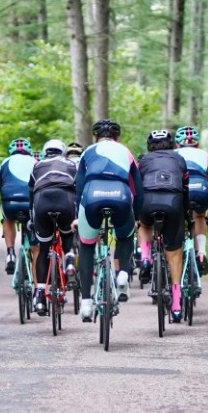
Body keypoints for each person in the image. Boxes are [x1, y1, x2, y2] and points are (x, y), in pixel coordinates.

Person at [74, 120, 142, 321]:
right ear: (117, 138)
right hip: (119, 197)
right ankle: (122, 275)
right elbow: (138, 190)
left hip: (92, 197)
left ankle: (86, 303)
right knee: (126, 236)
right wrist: (136, 217)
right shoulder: (126, 152)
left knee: (86, 246)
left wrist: (79, 214)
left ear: (95, 137)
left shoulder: (88, 152)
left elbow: (78, 187)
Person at [137, 129, 189, 323]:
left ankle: (145, 258)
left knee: (144, 225)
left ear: (149, 146)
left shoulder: (143, 161)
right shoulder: (179, 159)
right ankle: (176, 305)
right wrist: (185, 216)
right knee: (174, 253)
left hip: (148, 200)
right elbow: (185, 189)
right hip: (173, 201)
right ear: (172, 145)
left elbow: (135, 188)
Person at [28, 139, 78, 315]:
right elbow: (79, 190)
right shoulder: (71, 164)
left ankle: (40, 296)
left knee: (43, 249)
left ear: (45, 151)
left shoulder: (37, 165)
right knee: (67, 235)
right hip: (65, 199)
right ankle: (70, 260)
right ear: (63, 151)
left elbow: (30, 193)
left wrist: (31, 219)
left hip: (42, 201)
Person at [174, 125, 208, 275]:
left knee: (176, 217)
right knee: (199, 216)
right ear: (197, 144)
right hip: (202, 189)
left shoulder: (173, 154)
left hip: (180, 189)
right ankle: (201, 254)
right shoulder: (206, 155)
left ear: (177, 143)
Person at [0, 138, 37, 274]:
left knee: (7, 218)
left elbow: (0, 187)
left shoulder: (4, 163)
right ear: (29, 151)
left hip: (10, 203)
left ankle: (10, 253)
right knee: (36, 242)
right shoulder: (36, 162)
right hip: (30, 204)